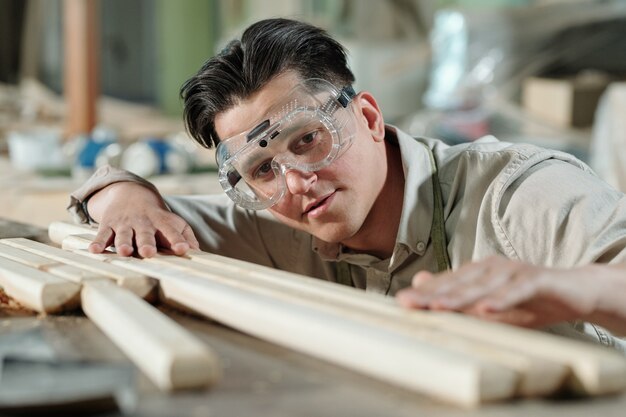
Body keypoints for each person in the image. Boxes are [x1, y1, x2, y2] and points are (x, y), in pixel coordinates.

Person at [69, 18, 626, 350]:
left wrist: (571, 289)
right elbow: (135, 204)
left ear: (367, 117)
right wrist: (125, 195)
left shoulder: (515, 196)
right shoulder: (282, 223)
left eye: (307, 140)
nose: (297, 182)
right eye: (262, 170)